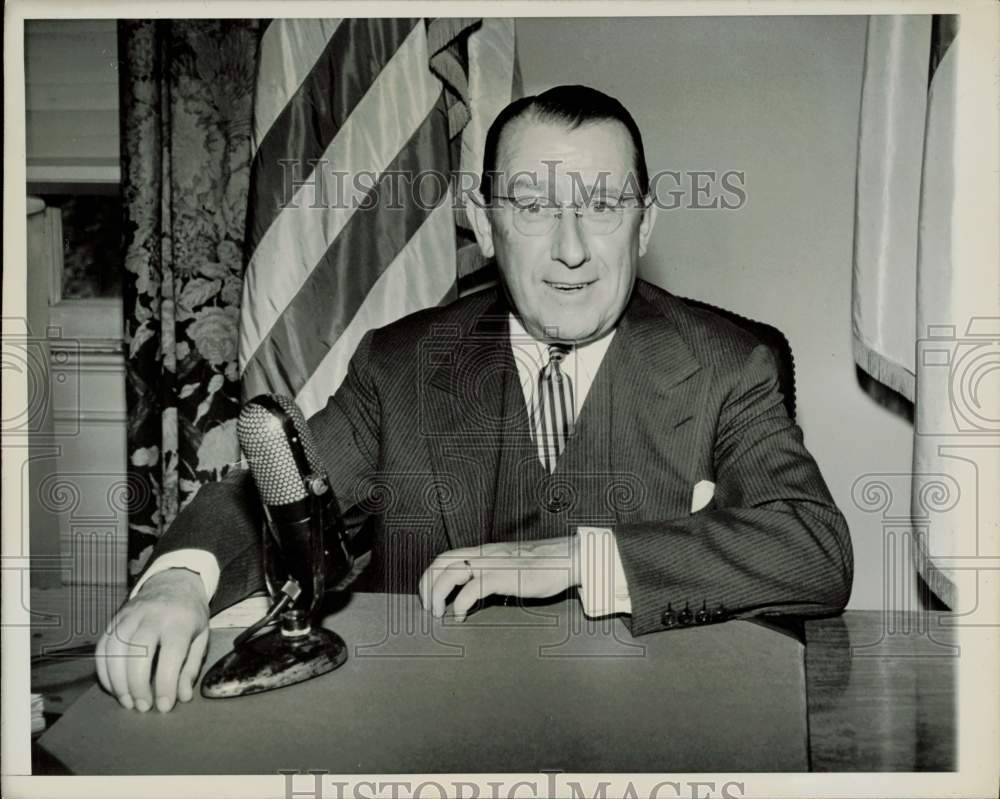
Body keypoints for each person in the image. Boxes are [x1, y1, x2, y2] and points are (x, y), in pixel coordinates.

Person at [95, 85, 853, 714]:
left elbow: (814, 549)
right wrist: (175, 581)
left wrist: (582, 559)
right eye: (531, 207)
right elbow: (279, 492)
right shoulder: (401, 366)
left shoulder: (727, 363)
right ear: (485, 224)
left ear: (645, 221)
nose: (571, 248)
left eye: (603, 205)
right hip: (434, 733)